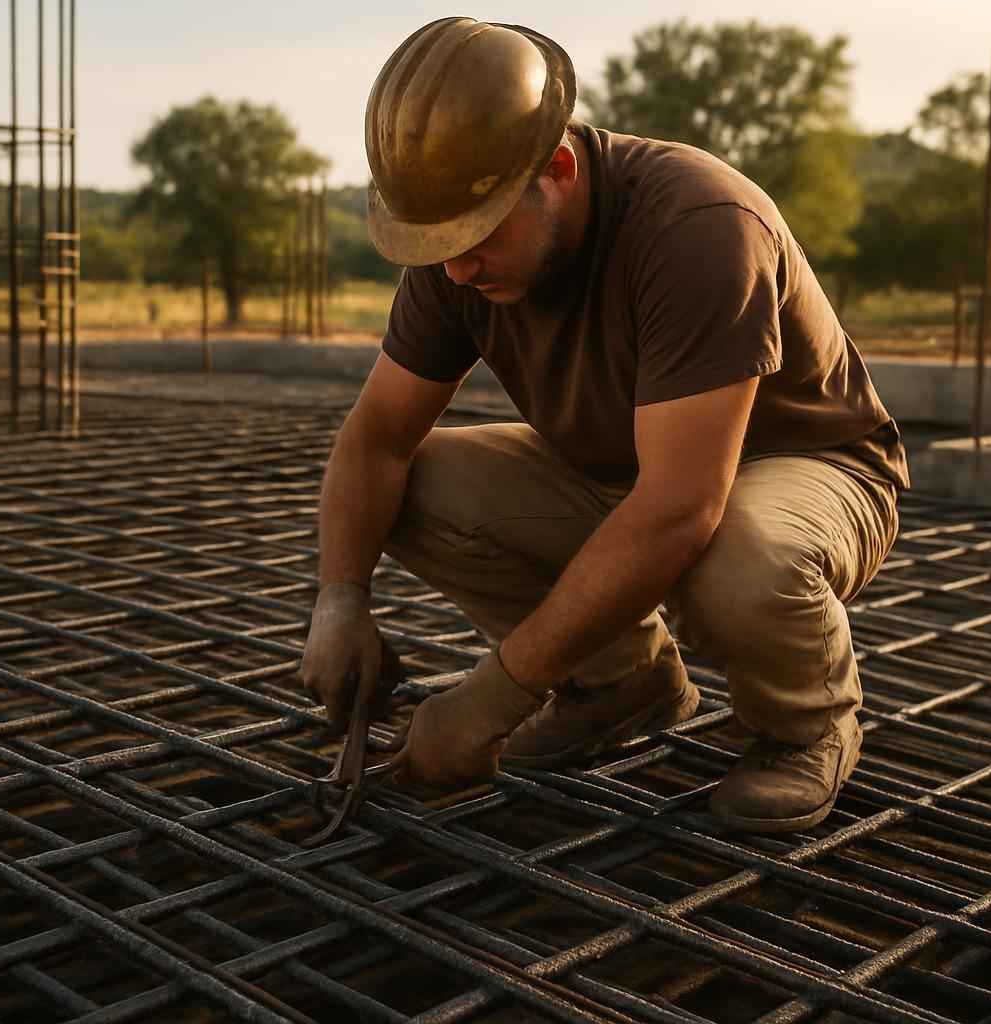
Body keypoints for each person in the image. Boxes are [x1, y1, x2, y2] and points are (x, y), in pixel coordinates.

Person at [300, 17, 907, 833]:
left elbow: (681, 510)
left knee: (736, 559)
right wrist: (341, 599)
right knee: (414, 486)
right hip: (630, 473)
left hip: (804, 470)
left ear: (556, 167)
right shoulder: (457, 256)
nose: (456, 268)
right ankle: (620, 683)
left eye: (476, 238)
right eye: (436, 245)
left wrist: (494, 696)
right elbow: (377, 441)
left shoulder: (697, 226)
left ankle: (804, 730)